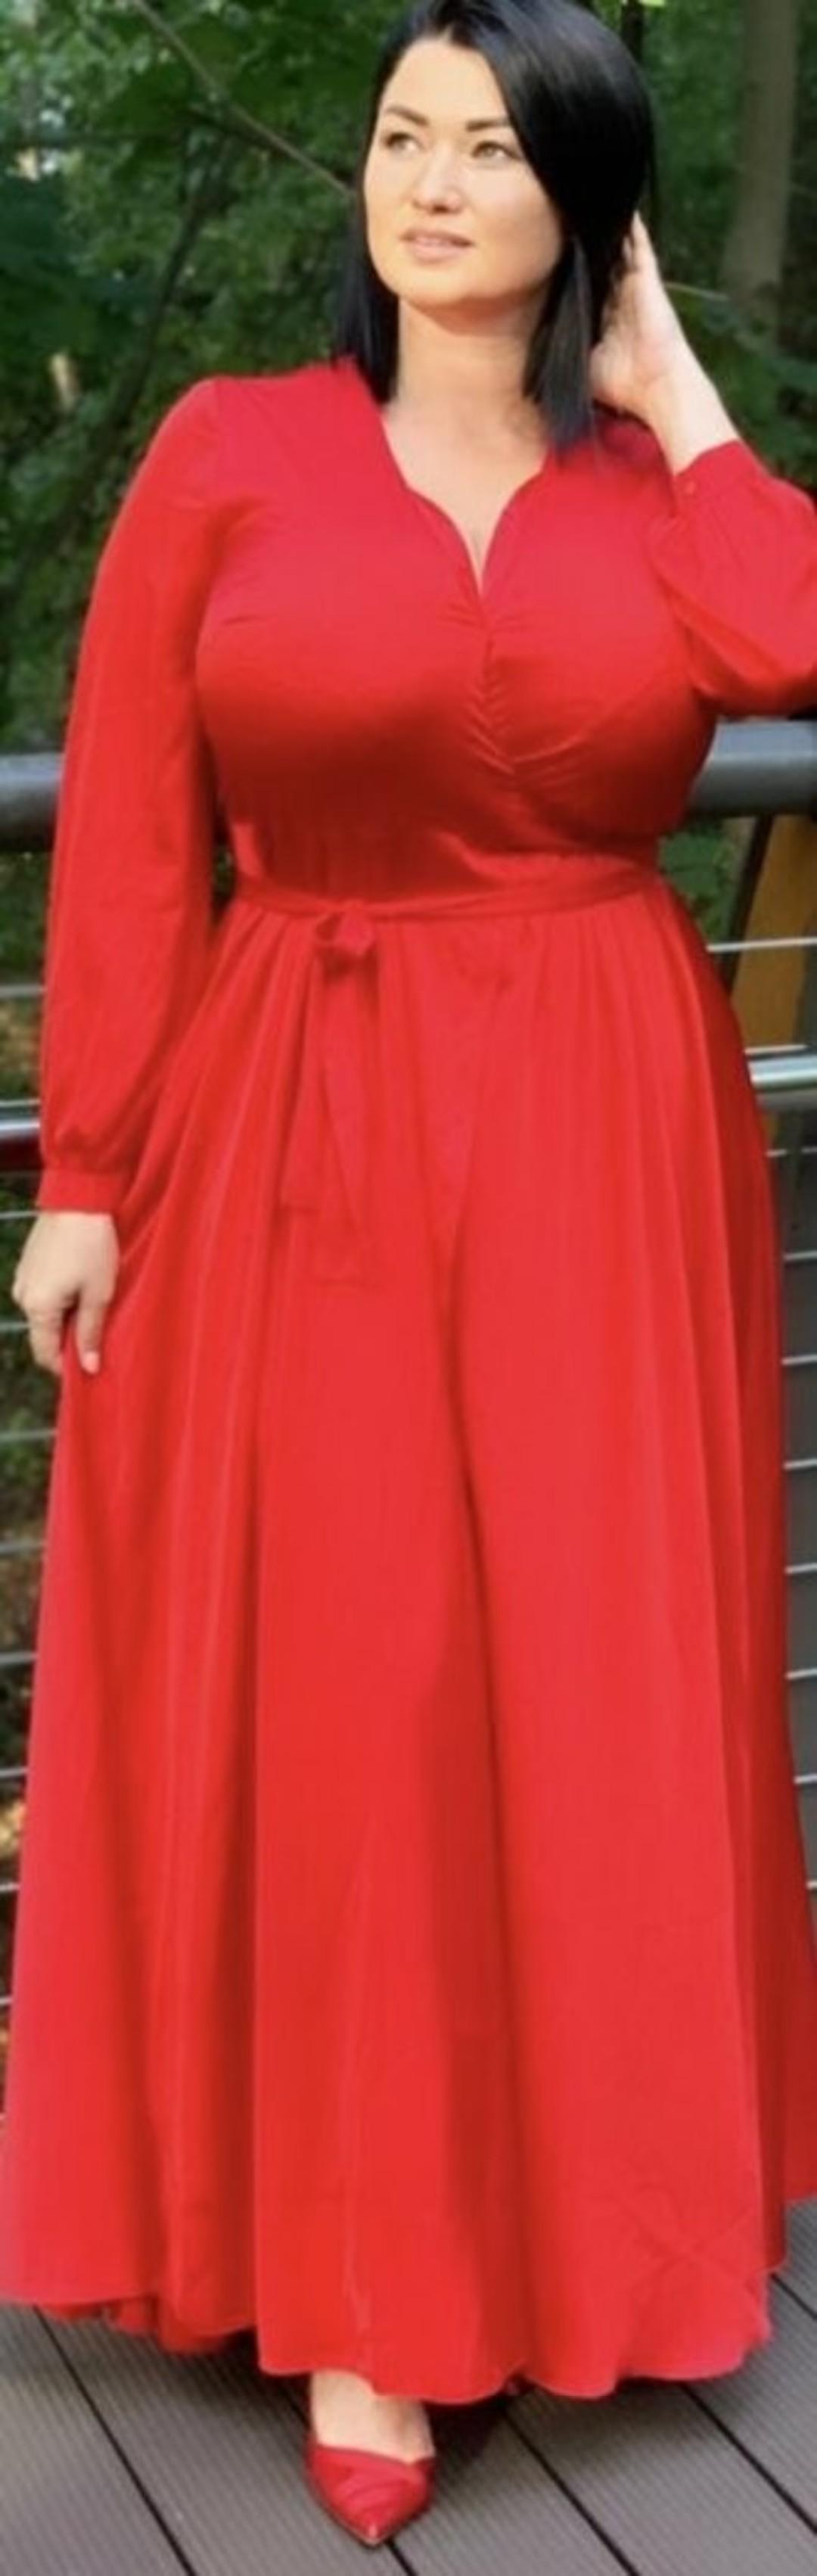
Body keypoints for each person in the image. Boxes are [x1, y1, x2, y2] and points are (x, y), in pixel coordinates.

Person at [2, 0, 817, 2550]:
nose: (429, 181)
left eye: (490, 146)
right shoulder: (229, 452)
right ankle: (367, 2281)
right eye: (399, 136)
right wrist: (87, 1167)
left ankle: (596, 2220)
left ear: (588, 198)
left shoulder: (651, 489)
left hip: (601, 1139)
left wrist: (681, 393)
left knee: (579, 1676)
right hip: (303, 1118)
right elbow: (133, 825)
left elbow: (791, 643)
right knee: (362, 1683)